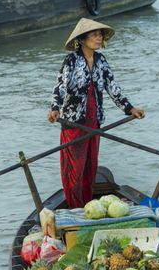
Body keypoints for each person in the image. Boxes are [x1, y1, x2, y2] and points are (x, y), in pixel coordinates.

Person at [48, 18, 145, 209]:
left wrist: (130, 109)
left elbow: (112, 87)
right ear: (82, 39)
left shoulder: (101, 61)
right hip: (74, 123)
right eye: (94, 35)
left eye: (100, 34)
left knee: (90, 167)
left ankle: (86, 204)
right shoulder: (71, 61)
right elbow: (60, 87)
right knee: (75, 168)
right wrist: (55, 109)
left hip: (94, 122)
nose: (99, 38)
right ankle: (76, 206)